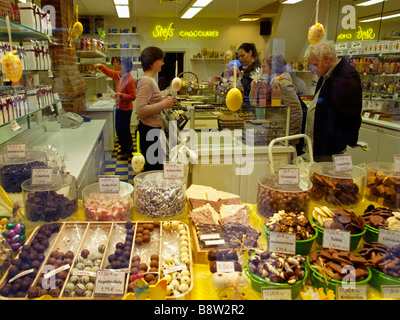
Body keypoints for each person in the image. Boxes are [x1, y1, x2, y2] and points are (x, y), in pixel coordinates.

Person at [304, 40, 362, 162]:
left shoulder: (346, 76)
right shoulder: (326, 74)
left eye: (314, 64)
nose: (312, 69)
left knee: (326, 178)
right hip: (320, 144)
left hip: (330, 148)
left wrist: (348, 140)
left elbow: (351, 115)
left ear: (326, 59)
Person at [136, 46, 175, 172]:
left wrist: (163, 98)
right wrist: (163, 104)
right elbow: (140, 110)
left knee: (154, 167)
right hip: (149, 131)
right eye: (161, 59)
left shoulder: (149, 80)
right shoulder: (147, 82)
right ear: (153, 61)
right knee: (153, 170)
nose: (163, 63)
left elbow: (150, 101)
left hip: (151, 130)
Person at [94, 57, 137, 160]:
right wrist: (101, 66)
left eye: (121, 65)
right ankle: (123, 148)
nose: (119, 66)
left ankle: (129, 151)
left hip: (126, 109)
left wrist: (121, 95)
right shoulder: (119, 75)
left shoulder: (130, 80)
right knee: (119, 130)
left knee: (124, 131)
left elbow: (133, 97)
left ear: (126, 67)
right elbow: (109, 72)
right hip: (119, 107)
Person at [262, 55, 303, 148]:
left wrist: (291, 140)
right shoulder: (271, 83)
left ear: (273, 68)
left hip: (284, 138)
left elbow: (296, 111)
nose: (262, 70)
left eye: (264, 66)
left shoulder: (282, 83)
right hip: (276, 135)